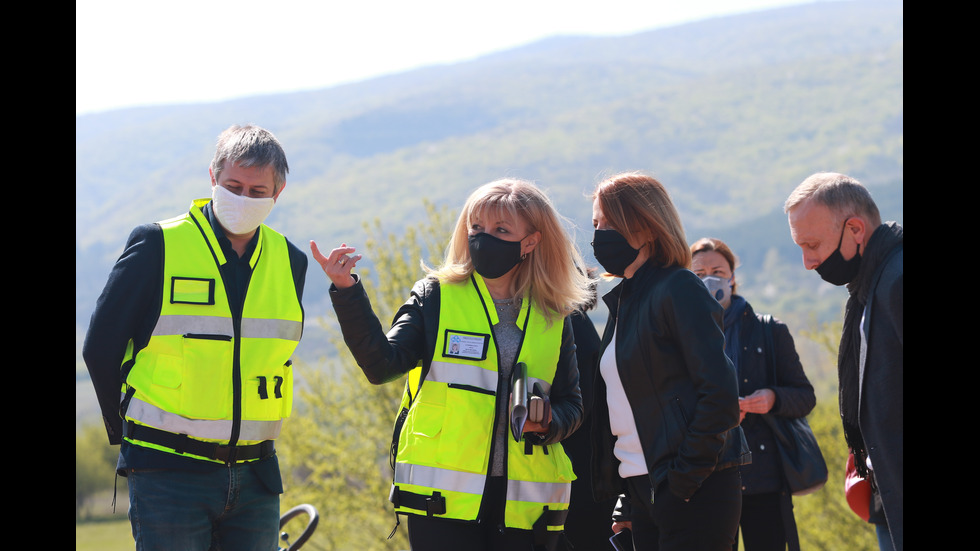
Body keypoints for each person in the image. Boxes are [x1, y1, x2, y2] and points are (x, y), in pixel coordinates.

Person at [311, 178, 590, 551]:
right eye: (476, 227)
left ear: (531, 241)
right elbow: (381, 365)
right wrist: (347, 291)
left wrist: (549, 421)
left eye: (500, 229)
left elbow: (573, 404)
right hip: (441, 505)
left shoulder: (555, 315)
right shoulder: (435, 296)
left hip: (525, 508)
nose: (483, 238)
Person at [83, 124, 307, 551]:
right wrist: (125, 430)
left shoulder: (291, 261)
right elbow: (100, 348)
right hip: (167, 474)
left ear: (278, 193)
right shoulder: (157, 245)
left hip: (257, 476)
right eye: (233, 185)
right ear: (212, 177)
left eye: (257, 192)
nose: (243, 199)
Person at [588, 172, 750, 550]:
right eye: (596, 223)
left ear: (646, 227)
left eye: (610, 223)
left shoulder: (678, 287)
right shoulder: (625, 301)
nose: (598, 234)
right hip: (645, 488)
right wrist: (629, 493)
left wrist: (683, 481)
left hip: (693, 489)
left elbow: (720, 394)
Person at [785, 172, 902, 551]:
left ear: (855, 229)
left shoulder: (897, 281)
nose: (807, 262)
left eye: (813, 244)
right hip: (888, 495)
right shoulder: (873, 285)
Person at [690, 237, 816, 551]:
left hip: (764, 480)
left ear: (732, 277)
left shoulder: (769, 331)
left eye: (718, 271)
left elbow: (804, 396)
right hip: (708, 480)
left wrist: (772, 398)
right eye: (699, 273)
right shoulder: (678, 337)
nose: (710, 279)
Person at [559, 268, 618, 551]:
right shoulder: (577, 321)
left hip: (578, 479)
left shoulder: (569, 324)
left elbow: (578, 405)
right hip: (589, 476)